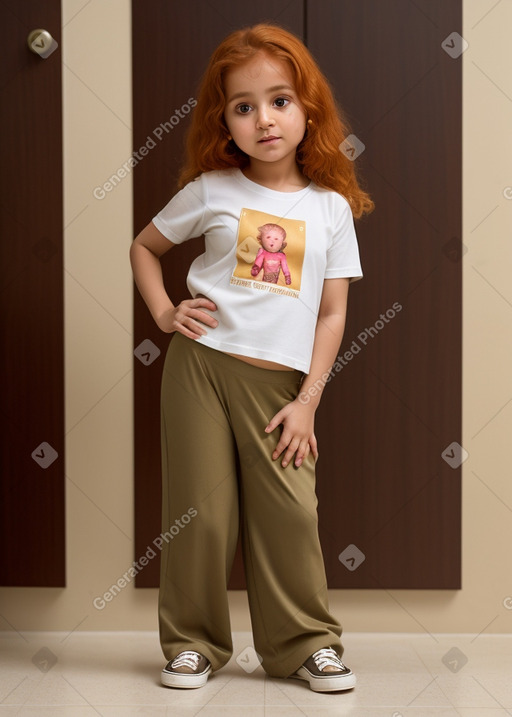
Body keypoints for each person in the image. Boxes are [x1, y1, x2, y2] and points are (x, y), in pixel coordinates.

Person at [129, 22, 374, 694]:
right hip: (201, 369)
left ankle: (304, 645)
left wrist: (308, 402)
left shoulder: (330, 209)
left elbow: (332, 314)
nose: (263, 118)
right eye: (243, 106)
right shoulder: (211, 190)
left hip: (284, 390)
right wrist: (162, 312)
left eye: (279, 100)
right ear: (224, 122)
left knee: (292, 514)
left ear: (307, 110)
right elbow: (144, 248)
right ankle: (193, 644)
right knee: (201, 513)